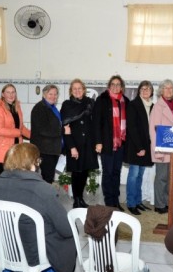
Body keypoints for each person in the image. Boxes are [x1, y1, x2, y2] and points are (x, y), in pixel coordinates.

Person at [0, 143, 81, 272]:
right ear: (34, 164)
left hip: (5, 249)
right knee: (72, 233)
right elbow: (67, 230)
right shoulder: (43, 190)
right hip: (34, 253)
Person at [61, 79, 99, 208]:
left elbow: (95, 124)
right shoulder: (67, 105)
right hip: (75, 144)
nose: (77, 91)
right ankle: (76, 200)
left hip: (88, 144)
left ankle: (80, 198)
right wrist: (71, 147)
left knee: (84, 172)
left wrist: (97, 142)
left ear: (84, 89)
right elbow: (65, 128)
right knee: (76, 172)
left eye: (79, 88)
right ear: (71, 91)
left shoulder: (90, 103)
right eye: (74, 89)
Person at [93, 75, 129, 210]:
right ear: (109, 86)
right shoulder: (102, 100)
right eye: (113, 84)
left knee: (116, 172)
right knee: (107, 173)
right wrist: (98, 142)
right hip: (107, 143)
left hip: (120, 144)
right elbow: (96, 123)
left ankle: (116, 200)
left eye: (118, 84)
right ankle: (109, 202)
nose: (115, 86)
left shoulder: (125, 101)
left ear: (122, 87)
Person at [149, 79, 173, 214]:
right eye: (166, 88)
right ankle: (159, 204)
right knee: (161, 178)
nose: (169, 91)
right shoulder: (157, 107)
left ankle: (169, 203)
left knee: (171, 178)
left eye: (171, 88)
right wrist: (158, 151)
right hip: (162, 148)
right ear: (161, 91)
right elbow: (153, 130)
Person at [125, 80, 154, 215]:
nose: (145, 91)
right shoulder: (133, 105)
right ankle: (131, 203)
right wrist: (139, 147)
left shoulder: (152, 106)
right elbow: (132, 128)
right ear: (139, 91)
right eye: (142, 89)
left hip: (146, 146)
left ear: (151, 91)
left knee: (140, 175)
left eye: (147, 89)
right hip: (136, 146)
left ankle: (138, 201)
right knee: (133, 175)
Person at [0, 84, 31, 172]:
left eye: (13, 92)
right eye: (8, 92)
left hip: (16, 149)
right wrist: (17, 132)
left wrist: (34, 135)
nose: (11, 95)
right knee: (6, 182)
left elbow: (21, 127)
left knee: (15, 180)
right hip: (3, 150)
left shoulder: (17, 107)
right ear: (3, 94)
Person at [30, 84, 63, 184]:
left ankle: (45, 198)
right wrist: (63, 131)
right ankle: (44, 198)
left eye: (55, 94)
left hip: (52, 150)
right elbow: (43, 130)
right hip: (44, 150)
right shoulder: (39, 108)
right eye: (50, 94)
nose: (53, 96)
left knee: (48, 177)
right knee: (46, 178)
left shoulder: (52, 108)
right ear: (44, 95)